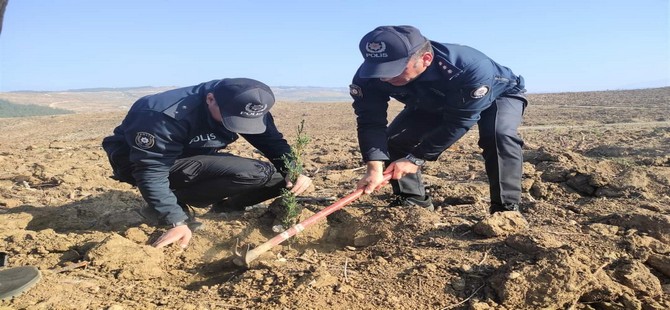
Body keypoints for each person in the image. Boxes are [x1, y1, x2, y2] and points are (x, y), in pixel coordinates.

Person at [102, 78, 312, 248]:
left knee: (277, 179)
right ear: (210, 99)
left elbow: (272, 142)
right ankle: (168, 205)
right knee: (254, 171)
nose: (238, 125)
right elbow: (151, 170)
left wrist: (293, 171)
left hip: (192, 158)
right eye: (231, 119)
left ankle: (227, 206)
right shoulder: (162, 115)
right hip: (139, 163)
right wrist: (176, 220)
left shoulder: (245, 105)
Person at [350, 25, 528, 214]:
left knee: (498, 136)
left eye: (395, 70)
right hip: (432, 101)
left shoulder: (468, 67)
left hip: (498, 96)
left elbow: (458, 121)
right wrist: (374, 168)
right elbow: (370, 121)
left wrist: (416, 158)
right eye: (380, 70)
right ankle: (413, 202)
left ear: (425, 59)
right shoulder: (370, 76)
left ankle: (506, 209)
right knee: (394, 140)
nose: (385, 77)